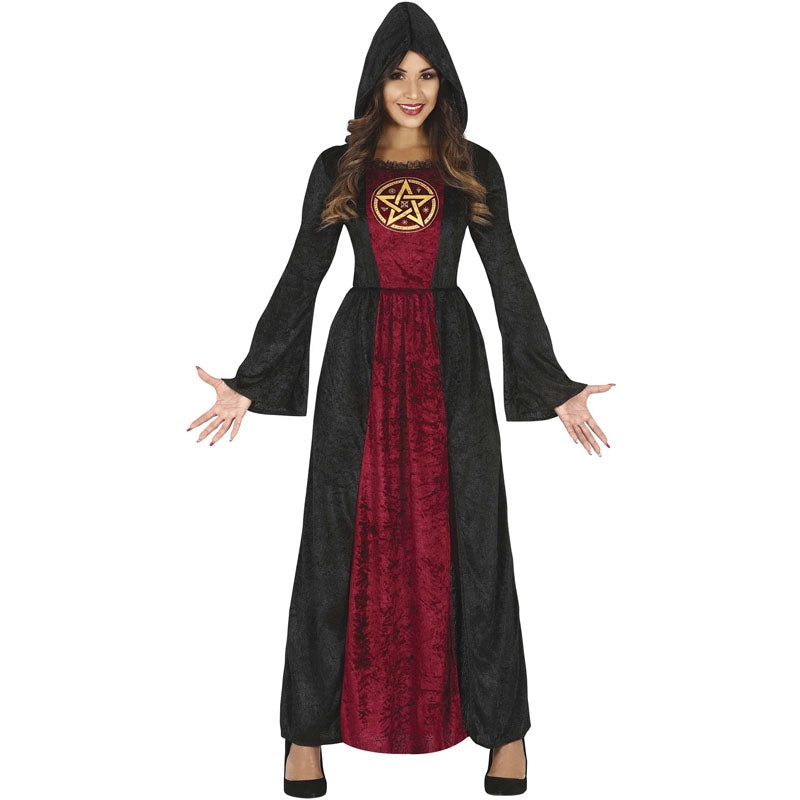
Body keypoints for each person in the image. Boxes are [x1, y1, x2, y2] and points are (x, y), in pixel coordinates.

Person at [187, 3, 613, 796]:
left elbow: (507, 271)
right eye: (397, 75)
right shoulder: (338, 164)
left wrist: (550, 384)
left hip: (451, 355)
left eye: (426, 76)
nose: (412, 90)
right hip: (361, 355)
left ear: (445, 85)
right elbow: (304, 269)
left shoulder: (473, 163)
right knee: (335, 534)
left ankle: (505, 731)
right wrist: (253, 377)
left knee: (475, 534)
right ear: (373, 83)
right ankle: (306, 732)